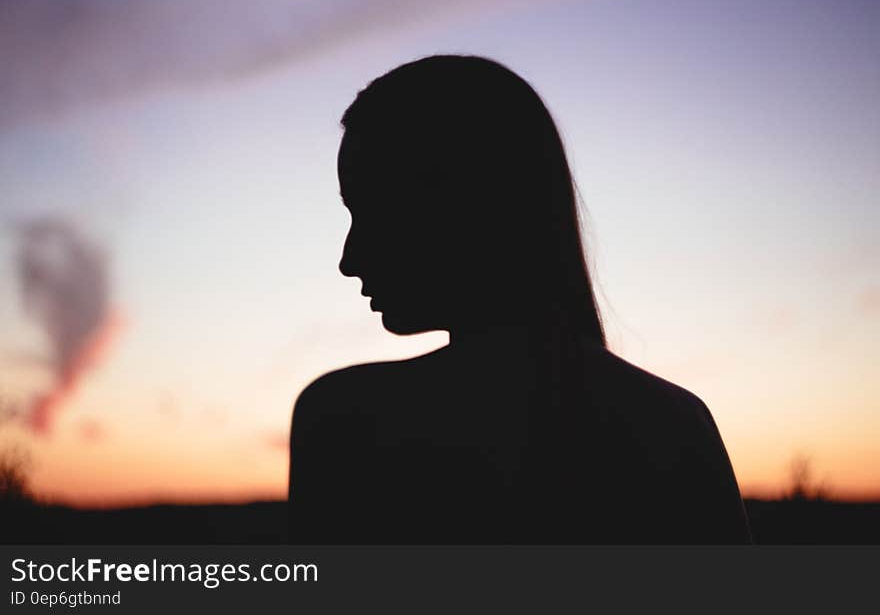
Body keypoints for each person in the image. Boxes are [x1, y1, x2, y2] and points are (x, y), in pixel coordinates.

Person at [288, 55, 752, 543]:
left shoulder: (348, 420)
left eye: (375, 212)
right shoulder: (677, 426)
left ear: (459, 205)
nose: (349, 259)